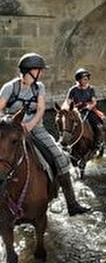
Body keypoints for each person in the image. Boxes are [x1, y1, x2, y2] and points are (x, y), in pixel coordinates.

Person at [0, 53, 90, 216]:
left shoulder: (39, 87)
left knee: (61, 159)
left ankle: (72, 204)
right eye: (39, 70)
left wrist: (29, 126)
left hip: (36, 128)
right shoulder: (9, 88)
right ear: (30, 71)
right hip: (11, 131)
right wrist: (10, 127)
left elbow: (41, 109)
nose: (41, 73)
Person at [65, 68, 106, 151]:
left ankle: (97, 142)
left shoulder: (91, 89)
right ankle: (67, 143)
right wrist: (73, 108)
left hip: (89, 110)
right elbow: (68, 102)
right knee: (69, 124)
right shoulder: (73, 90)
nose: (87, 81)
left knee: (95, 123)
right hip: (77, 111)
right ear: (79, 80)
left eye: (87, 79)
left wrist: (90, 106)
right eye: (84, 79)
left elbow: (94, 101)